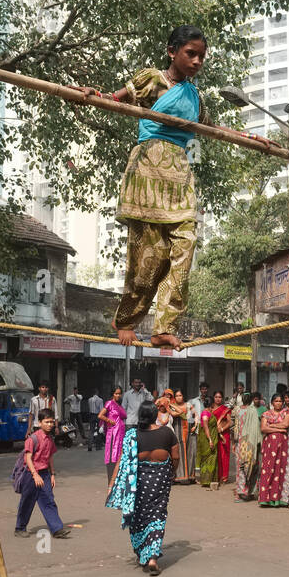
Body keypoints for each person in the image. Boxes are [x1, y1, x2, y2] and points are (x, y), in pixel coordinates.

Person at [73, 26, 241, 349]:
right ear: (172, 52)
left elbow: (212, 129)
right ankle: (126, 319)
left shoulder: (195, 97)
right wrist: (96, 97)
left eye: (201, 56)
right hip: (148, 169)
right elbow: (116, 100)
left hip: (179, 176)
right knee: (149, 258)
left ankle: (165, 324)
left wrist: (250, 139)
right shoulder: (152, 80)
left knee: (185, 247)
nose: (196, 62)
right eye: (190, 53)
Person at [106, 403, 180, 575]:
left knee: (139, 517)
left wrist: (111, 484)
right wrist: (172, 473)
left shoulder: (133, 435)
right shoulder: (167, 433)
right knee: (158, 515)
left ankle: (143, 553)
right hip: (161, 482)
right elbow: (175, 457)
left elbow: (121, 462)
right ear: (155, 415)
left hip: (138, 484)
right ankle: (153, 556)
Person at [15, 409, 70, 539]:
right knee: (27, 501)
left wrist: (52, 474)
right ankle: (20, 528)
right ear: (39, 423)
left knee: (49, 500)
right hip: (31, 473)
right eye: (47, 422)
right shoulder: (33, 438)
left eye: (51, 422)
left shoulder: (50, 439)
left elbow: (49, 457)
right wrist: (35, 475)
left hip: (44, 473)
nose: (50, 424)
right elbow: (28, 458)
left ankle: (57, 529)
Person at [256, 393, 289, 508]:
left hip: (283, 447)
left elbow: (286, 424)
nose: (278, 403)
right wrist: (279, 427)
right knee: (269, 469)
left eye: (280, 401)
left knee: (282, 470)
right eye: (276, 401)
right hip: (269, 447)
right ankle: (266, 499)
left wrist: (272, 425)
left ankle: (281, 499)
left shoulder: (286, 413)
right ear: (272, 402)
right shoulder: (266, 414)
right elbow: (263, 428)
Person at [197, 390, 233, 488]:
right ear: (213, 398)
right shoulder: (209, 409)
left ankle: (223, 477)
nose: (218, 399)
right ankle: (214, 476)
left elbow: (230, 422)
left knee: (223, 455)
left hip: (223, 434)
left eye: (220, 397)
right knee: (213, 455)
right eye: (216, 397)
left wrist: (221, 429)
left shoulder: (225, 409)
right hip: (212, 434)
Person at [233, 392, 261, 501]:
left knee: (248, 467)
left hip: (247, 442)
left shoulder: (249, 410)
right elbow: (234, 426)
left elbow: (255, 427)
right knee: (244, 467)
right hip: (245, 442)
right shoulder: (240, 410)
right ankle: (245, 492)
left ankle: (248, 491)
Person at [100, 385, 128, 486]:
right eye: (116, 393)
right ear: (112, 394)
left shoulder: (119, 405)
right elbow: (100, 415)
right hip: (113, 434)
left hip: (120, 434)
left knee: (119, 455)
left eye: (120, 393)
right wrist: (109, 421)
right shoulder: (109, 403)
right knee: (112, 455)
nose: (118, 395)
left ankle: (117, 480)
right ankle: (111, 481)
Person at [168, 388, 194, 481]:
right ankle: (179, 476)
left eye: (180, 395)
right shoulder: (171, 406)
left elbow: (193, 416)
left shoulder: (188, 405)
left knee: (189, 452)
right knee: (178, 452)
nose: (179, 397)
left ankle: (189, 476)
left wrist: (193, 425)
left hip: (188, 431)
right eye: (177, 396)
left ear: (183, 396)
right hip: (177, 430)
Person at [187, 383, 209, 478]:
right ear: (200, 390)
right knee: (195, 451)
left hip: (207, 427)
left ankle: (204, 473)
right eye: (202, 389)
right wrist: (192, 423)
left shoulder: (209, 400)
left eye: (206, 389)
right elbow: (188, 412)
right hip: (197, 427)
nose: (204, 391)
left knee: (205, 450)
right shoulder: (194, 401)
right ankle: (194, 474)